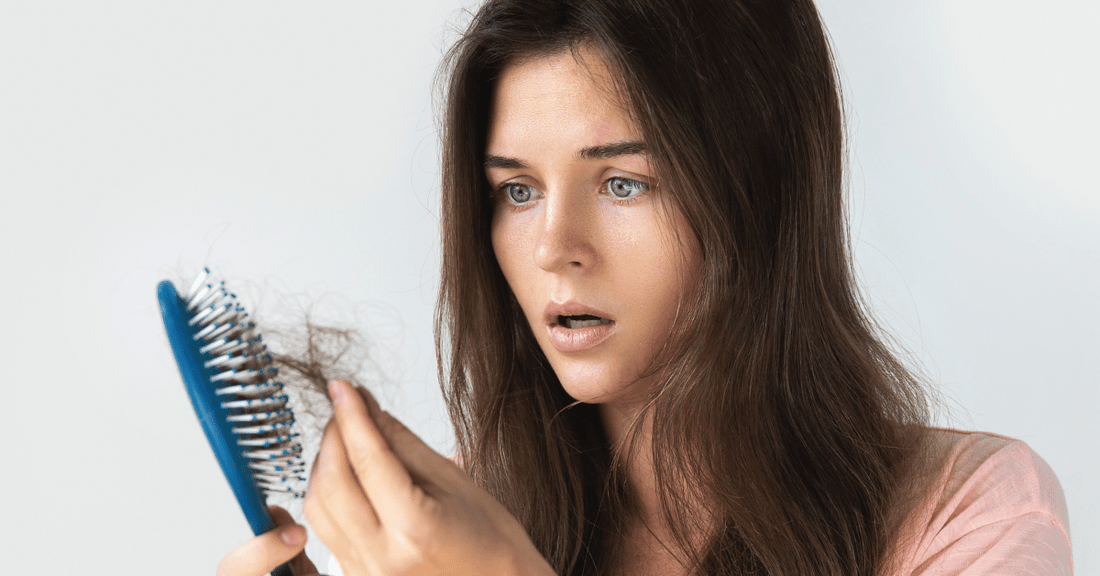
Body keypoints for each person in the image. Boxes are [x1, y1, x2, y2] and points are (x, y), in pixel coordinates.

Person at [217, 0, 1073, 574]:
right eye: (516, 190)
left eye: (624, 183)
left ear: (758, 193)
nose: (555, 247)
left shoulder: (969, 515)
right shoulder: (449, 522)